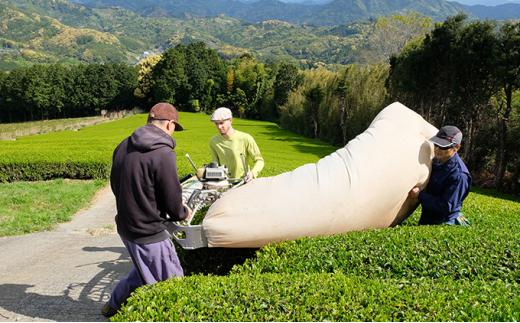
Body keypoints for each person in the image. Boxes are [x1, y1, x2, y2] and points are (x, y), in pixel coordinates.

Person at [102, 102, 192, 317]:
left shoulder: (123, 145)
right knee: (172, 282)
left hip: (126, 225)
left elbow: (115, 183)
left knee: (144, 270)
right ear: (170, 124)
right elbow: (171, 196)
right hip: (148, 230)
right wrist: (182, 212)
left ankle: (113, 305)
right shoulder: (163, 153)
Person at [409, 125, 472, 226]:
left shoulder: (460, 175)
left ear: (456, 147)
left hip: (444, 223)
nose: (437, 149)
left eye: (443, 146)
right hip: (427, 219)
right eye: (436, 144)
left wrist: (419, 195)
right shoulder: (435, 161)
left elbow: (446, 206)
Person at [209, 107, 264, 182]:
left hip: (243, 182)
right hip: (224, 184)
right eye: (216, 123)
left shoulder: (245, 138)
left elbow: (259, 160)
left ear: (231, 120)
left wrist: (252, 173)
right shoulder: (213, 141)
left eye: (221, 123)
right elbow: (216, 165)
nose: (219, 127)